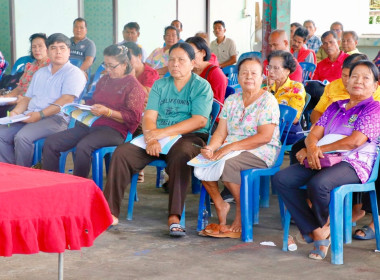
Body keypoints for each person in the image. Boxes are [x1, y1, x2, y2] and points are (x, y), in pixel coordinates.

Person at [272, 60, 380, 260]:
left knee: (319, 184)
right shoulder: (335, 107)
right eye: (354, 76)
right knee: (281, 179)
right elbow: (314, 133)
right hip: (325, 158)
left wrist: (316, 149)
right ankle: (318, 230)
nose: (359, 81)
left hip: (355, 162)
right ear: (346, 82)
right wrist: (311, 147)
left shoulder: (374, 108)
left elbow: (354, 142)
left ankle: (318, 231)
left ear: (375, 86)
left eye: (366, 78)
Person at [103, 42, 213, 235]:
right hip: (157, 136)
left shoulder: (201, 86)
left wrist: (160, 134)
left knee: (181, 154)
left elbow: (199, 120)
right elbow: (149, 116)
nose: (175, 64)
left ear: (193, 63)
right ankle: (109, 212)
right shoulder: (161, 85)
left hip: (190, 136)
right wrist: (150, 138)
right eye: (171, 59)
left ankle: (174, 216)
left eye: (181, 60)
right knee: (122, 153)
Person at [194, 56, 281, 235]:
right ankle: (220, 204)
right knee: (201, 162)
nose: (249, 77)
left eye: (254, 73)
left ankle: (242, 212)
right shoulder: (232, 100)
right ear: (238, 76)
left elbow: (264, 137)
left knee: (228, 165)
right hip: (232, 148)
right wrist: (211, 148)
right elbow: (220, 132)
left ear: (262, 77)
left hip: (261, 150)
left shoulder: (267, 100)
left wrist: (229, 148)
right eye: (244, 73)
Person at [42, 45, 145, 178]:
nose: (107, 70)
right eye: (105, 65)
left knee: (83, 147)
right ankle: (51, 183)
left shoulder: (133, 86)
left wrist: (107, 112)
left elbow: (133, 118)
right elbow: (95, 100)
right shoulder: (105, 80)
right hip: (90, 124)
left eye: (112, 66)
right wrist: (81, 106)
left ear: (125, 64)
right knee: (51, 142)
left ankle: (80, 188)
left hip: (115, 131)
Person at [0, 33, 87, 167]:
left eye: (62, 48)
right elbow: (27, 98)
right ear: (48, 51)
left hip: (57, 119)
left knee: (22, 137)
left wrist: (39, 115)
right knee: (1, 134)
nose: (58, 51)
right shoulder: (40, 73)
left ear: (69, 51)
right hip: (29, 115)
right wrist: (15, 113)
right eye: (53, 48)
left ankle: (24, 177)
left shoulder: (74, 73)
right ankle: (15, 170)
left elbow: (66, 99)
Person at [0, 33, 50, 117]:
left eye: (40, 46)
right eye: (34, 47)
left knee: (5, 112)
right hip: (18, 100)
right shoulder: (30, 66)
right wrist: (6, 98)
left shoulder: (50, 67)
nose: (37, 49)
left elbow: (42, 93)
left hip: (32, 104)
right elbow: (20, 87)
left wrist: (19, 100)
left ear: (47, 48)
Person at [264, 50, 306, 144]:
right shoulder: (267, 89)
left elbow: (293, 118)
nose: (271, 71)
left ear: (287, 71)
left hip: (288, 131)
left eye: (276, 68)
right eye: (269, 67)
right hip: (268, 129)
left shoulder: (296, 88)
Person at [185, 36, 227, 103]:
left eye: (192, 53)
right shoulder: (187, 71)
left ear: (203, 53)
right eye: (186, 54)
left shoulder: (215, 73)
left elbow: (216, 104)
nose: (189, 57)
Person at [122, 41, 160, 107]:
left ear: (139, 56)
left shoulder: (151, 73)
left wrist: (133, 77)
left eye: (129, 58)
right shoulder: (123, 72)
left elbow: (148, 95)